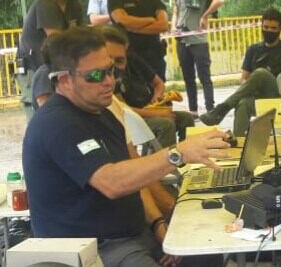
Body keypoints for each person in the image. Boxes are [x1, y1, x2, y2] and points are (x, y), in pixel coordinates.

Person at [22, 27, 229, 267]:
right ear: (64, 80)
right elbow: (111, 182)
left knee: (208, 248)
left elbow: (135, 182)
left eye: (111, 70)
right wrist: (177, 154)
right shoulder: (56, 123)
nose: (110, 81)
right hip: (95, 250)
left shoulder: (103, 113)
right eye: (97, 75)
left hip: (135, 236)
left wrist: (159, 225)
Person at [200, 8, 281, 136]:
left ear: (280, 29)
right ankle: (240, 144)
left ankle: (223, 108)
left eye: (273, 28)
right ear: (261, 27)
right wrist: (252, 86)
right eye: (266, 27)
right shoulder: (253, 50)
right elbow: (244, 79)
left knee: (261, 73)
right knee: (242, 104)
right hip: (257, 98)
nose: (269, 31)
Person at [100, 26, 194, 147]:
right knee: (165, 124)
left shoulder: (132, 60)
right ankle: (164, 163)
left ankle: (185, 156)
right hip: (127, 118)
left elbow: (158, 84)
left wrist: (156, 101)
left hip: (144, 110)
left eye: (119, 60)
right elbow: (122, 110)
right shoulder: (105, 78)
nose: (113, 66)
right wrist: (154, 113)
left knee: (186, 118)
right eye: (109, 59)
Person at [16, 0, 85, 121]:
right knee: (42, 118)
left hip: (57, 67)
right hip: (35, 69)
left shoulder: (73, 5)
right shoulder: (45, 2)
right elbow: (56, 39)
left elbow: (82, 35)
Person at [171, 0, 225, 117]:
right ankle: (193, 111)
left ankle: (210, 110)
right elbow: (176, 11)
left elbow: (219, 0)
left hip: (199, 40)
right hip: (182, 40)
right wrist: (173, 28)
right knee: (188, 78)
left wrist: (205, 15)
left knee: (204, 77)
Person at [109, 0, 169, 80]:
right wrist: (150, 20)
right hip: (128, 59)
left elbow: (163, 25)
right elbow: (122, 20)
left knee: (159, 95)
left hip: (154, 58)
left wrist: (132, 27)